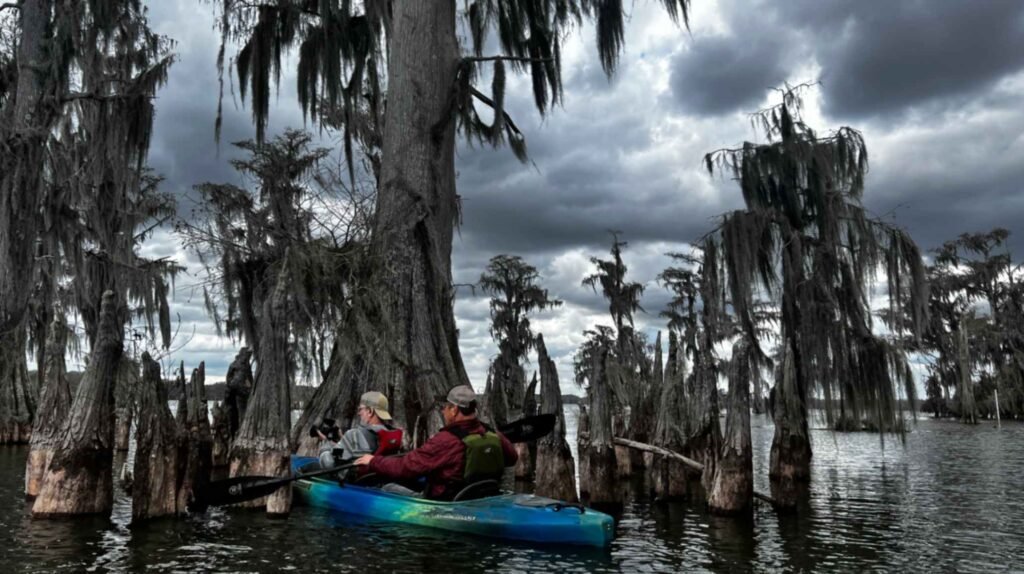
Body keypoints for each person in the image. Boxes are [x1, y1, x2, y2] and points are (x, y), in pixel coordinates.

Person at [354, 385, 517, 500]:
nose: (443, 410)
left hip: (449, 501)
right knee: (423, 479)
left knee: (387, 488)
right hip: (482, 494)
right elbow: (512, 458)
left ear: (454, 409)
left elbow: (405, 467)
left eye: (445, 407)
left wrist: (374, 461)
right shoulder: (492, 433)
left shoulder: (446, 440)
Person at [336, 391, 403, 461]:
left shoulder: (353, 434)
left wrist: (327, 445)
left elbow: (330, 461)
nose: (359, 413)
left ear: (370, 411)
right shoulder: (394, 435)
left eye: (360, 409)